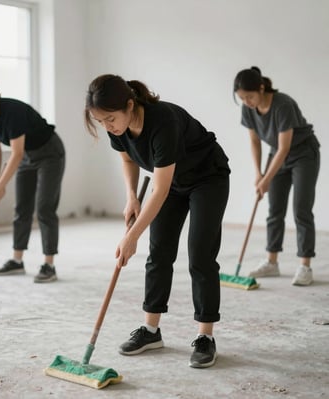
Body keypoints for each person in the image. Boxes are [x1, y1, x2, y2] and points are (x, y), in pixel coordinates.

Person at [84, 74, 230, 368]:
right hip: (173, 183)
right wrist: (131, 198)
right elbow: (128, 159)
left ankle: (205, 337)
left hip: (207, 178)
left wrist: (131, 236)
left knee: (200, 255)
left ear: (129, 104)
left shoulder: (163, 121)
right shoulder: (118, 127)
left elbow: (160, 189)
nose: (108, 126)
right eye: (101, 122)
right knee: (159, 252)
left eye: (110, 119)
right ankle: (151, 330)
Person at [0, 80, 65, 283]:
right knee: (22, 207)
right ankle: (17, 261)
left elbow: (15, 153)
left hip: (49, 153)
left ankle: (49, 264)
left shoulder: (12, 111)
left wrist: (2, 185)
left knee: (44, 208)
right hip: (27, 156)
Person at [233, 66, 320, 286]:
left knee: (301, 208)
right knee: (275, 209)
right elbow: (254, 141)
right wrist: (259, 174)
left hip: (303, 154)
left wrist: (267, 179)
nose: (247, 102)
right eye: (242, 98)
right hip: (277, 155)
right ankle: (272, 262)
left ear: (261, 88)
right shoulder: (248, 109)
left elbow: (284, 147)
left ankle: (305, 265)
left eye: (250, 96)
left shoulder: (282, 105)